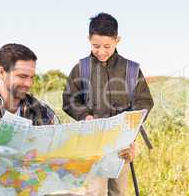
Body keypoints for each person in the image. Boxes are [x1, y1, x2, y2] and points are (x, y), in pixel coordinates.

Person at [62, 13, 154, 196]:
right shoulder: (82, 68)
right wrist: (84, 115)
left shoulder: (131, 69)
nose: (101, 51)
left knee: (119, 191)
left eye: (107, 46)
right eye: (96, 46)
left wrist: (130, 129)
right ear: (89, 40)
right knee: (95, 191)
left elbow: (144, 102)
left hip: (122, 143)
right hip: (94, 143)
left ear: (117, 40)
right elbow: (70, 99)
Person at [0, 43, 59, 196]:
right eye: (22, 76)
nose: (28, 84)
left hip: (32, 181)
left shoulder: (44, 113)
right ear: (2, 72)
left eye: (31, 77)